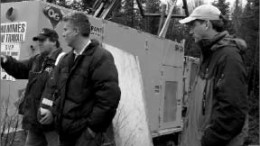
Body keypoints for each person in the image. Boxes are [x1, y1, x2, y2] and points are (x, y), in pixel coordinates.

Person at [40, 12, 121, 146]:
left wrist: (92, 130)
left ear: (76, 31)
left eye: (66, 29)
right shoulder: (66, 60)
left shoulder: (100, 57)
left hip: (85, 138)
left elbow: (108, 99)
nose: (63, 34)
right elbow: (59, 92)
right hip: (65, 135)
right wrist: (53, 112)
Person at [179, 4, 248, 146]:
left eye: (193, 25)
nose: (190, 31)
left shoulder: (229, 57)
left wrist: (208, 141)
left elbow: (233, 114)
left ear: (206, 24)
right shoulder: (208, 55)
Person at [1, 28, 64, 146]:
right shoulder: (37, 60)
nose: (39, 43)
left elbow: (65, 92)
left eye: (43, 40)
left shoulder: (63, 61)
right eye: (38, 40)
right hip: (35, 122)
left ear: (54, 41)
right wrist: (6, 61)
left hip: (52, 124)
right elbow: (20, 69)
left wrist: (53, 113)